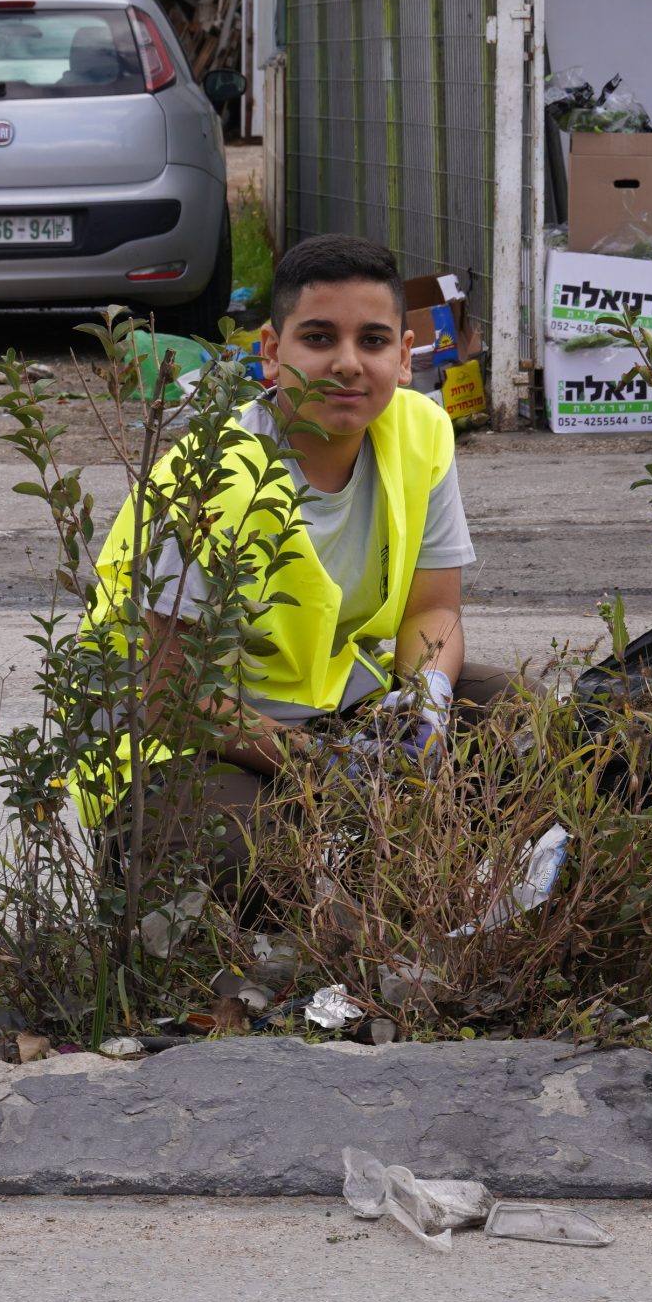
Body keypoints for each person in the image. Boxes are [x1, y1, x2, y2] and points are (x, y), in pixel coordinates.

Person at [79, 232, 499, 893]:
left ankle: (418, 889)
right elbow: (167, 693)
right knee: (237, 852)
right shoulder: (215, 472)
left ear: (406, 352)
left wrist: (426, 710)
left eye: (373, 341)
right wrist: (322, 766)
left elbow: (434, 609)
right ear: (271, 353)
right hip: (188, 738)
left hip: (329, 709)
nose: (348, 364)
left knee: (510, 720)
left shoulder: (421, 432)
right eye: (320, 338)